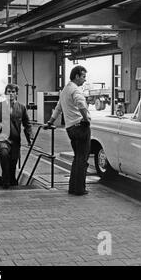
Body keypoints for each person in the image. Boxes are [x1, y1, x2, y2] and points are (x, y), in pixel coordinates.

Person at [45, 66, 91, 196]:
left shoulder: (65, 90)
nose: (84, 79)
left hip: (70, 128)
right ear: (76, 76)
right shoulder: (75, 90)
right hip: (80, 127)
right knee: (82, 159)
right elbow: (81, 105)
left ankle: (74, 187)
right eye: (83, 76)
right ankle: (79, 189)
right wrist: (86, 119)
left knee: (78, 158)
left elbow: (58, 108)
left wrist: (50, 122)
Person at [0, 84, 32, 189]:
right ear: (5, 93)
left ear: (16, 94)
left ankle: (12, 180)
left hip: (15, 139)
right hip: (1, 137)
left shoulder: (21, 107)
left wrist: (30, 137)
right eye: (8, 91)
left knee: (13, 162)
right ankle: (6, 181)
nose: (11, 94)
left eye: (13, 92)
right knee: (3, 154)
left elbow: (27, 124)